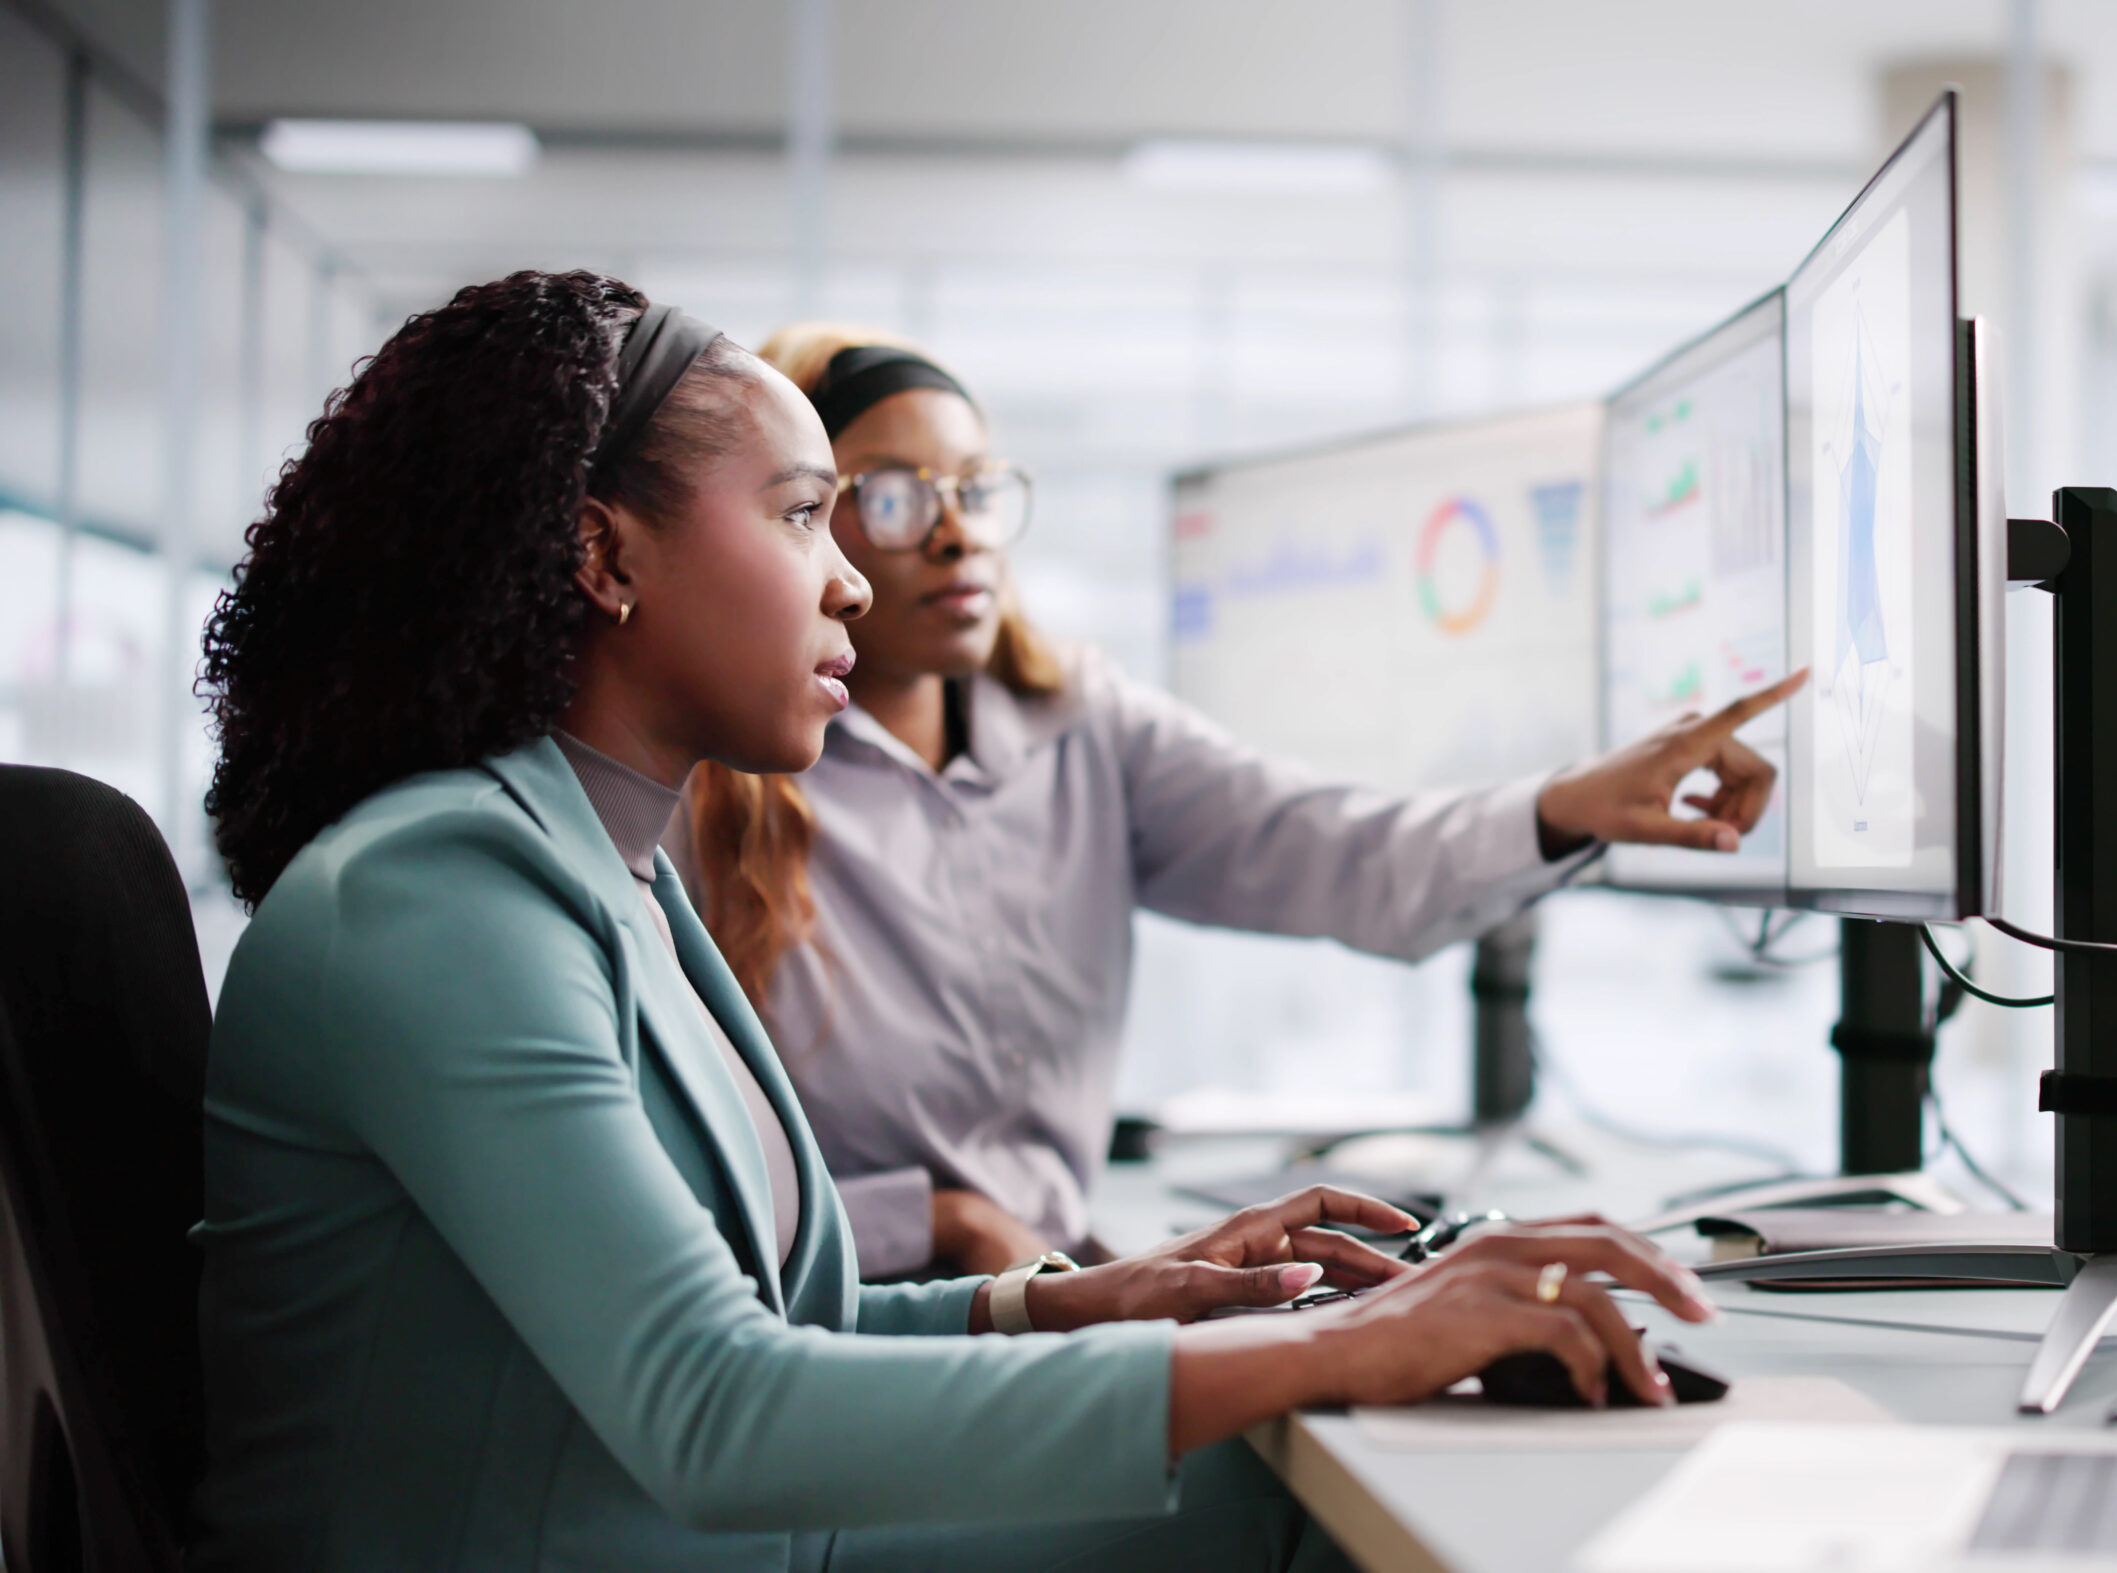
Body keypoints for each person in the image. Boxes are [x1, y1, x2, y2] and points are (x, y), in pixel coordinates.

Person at [190, 269, 1721, 1570]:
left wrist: (1087, 1296)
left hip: (653, 1524)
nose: (853, 581)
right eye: (807, 518)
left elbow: (801, 1317)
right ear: (604, 554)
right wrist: (1341, 1342)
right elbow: (718, 1409)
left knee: (1321, 1451)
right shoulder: (440, 894)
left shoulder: (601, 865)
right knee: (1303, 1486)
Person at [676, 322, 1805, 1277]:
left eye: (975, 488)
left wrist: (1571, 804)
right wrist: (934, 1220)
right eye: (889, 495)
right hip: (859, 1321)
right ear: (805, 527)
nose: (957, 530)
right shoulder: (711, 783)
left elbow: (1341, 852)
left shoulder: (1082, 724)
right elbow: (664, 1176)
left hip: (1062, 1296)